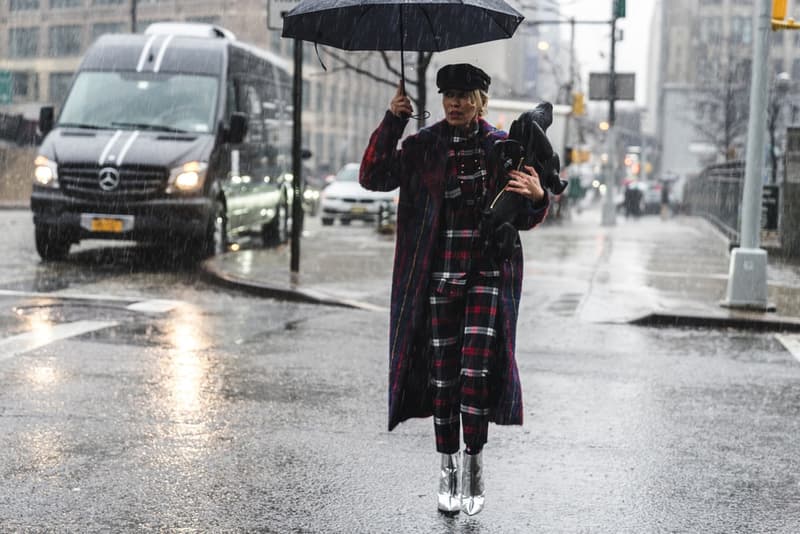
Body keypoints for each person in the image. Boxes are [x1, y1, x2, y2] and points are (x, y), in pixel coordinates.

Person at [359, 64, 549, 516]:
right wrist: (393, 119)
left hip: (486, 273)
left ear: (481, 100)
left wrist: (539, 196)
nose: (455, 103)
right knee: (442, 378)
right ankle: (446, 464)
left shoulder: (504, 148)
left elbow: (525, 215)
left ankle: (474, 460)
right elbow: (372, 175)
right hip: (436, 275)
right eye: (449, 95)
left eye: (465, 96)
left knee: (476, 375)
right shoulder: (424, 147)